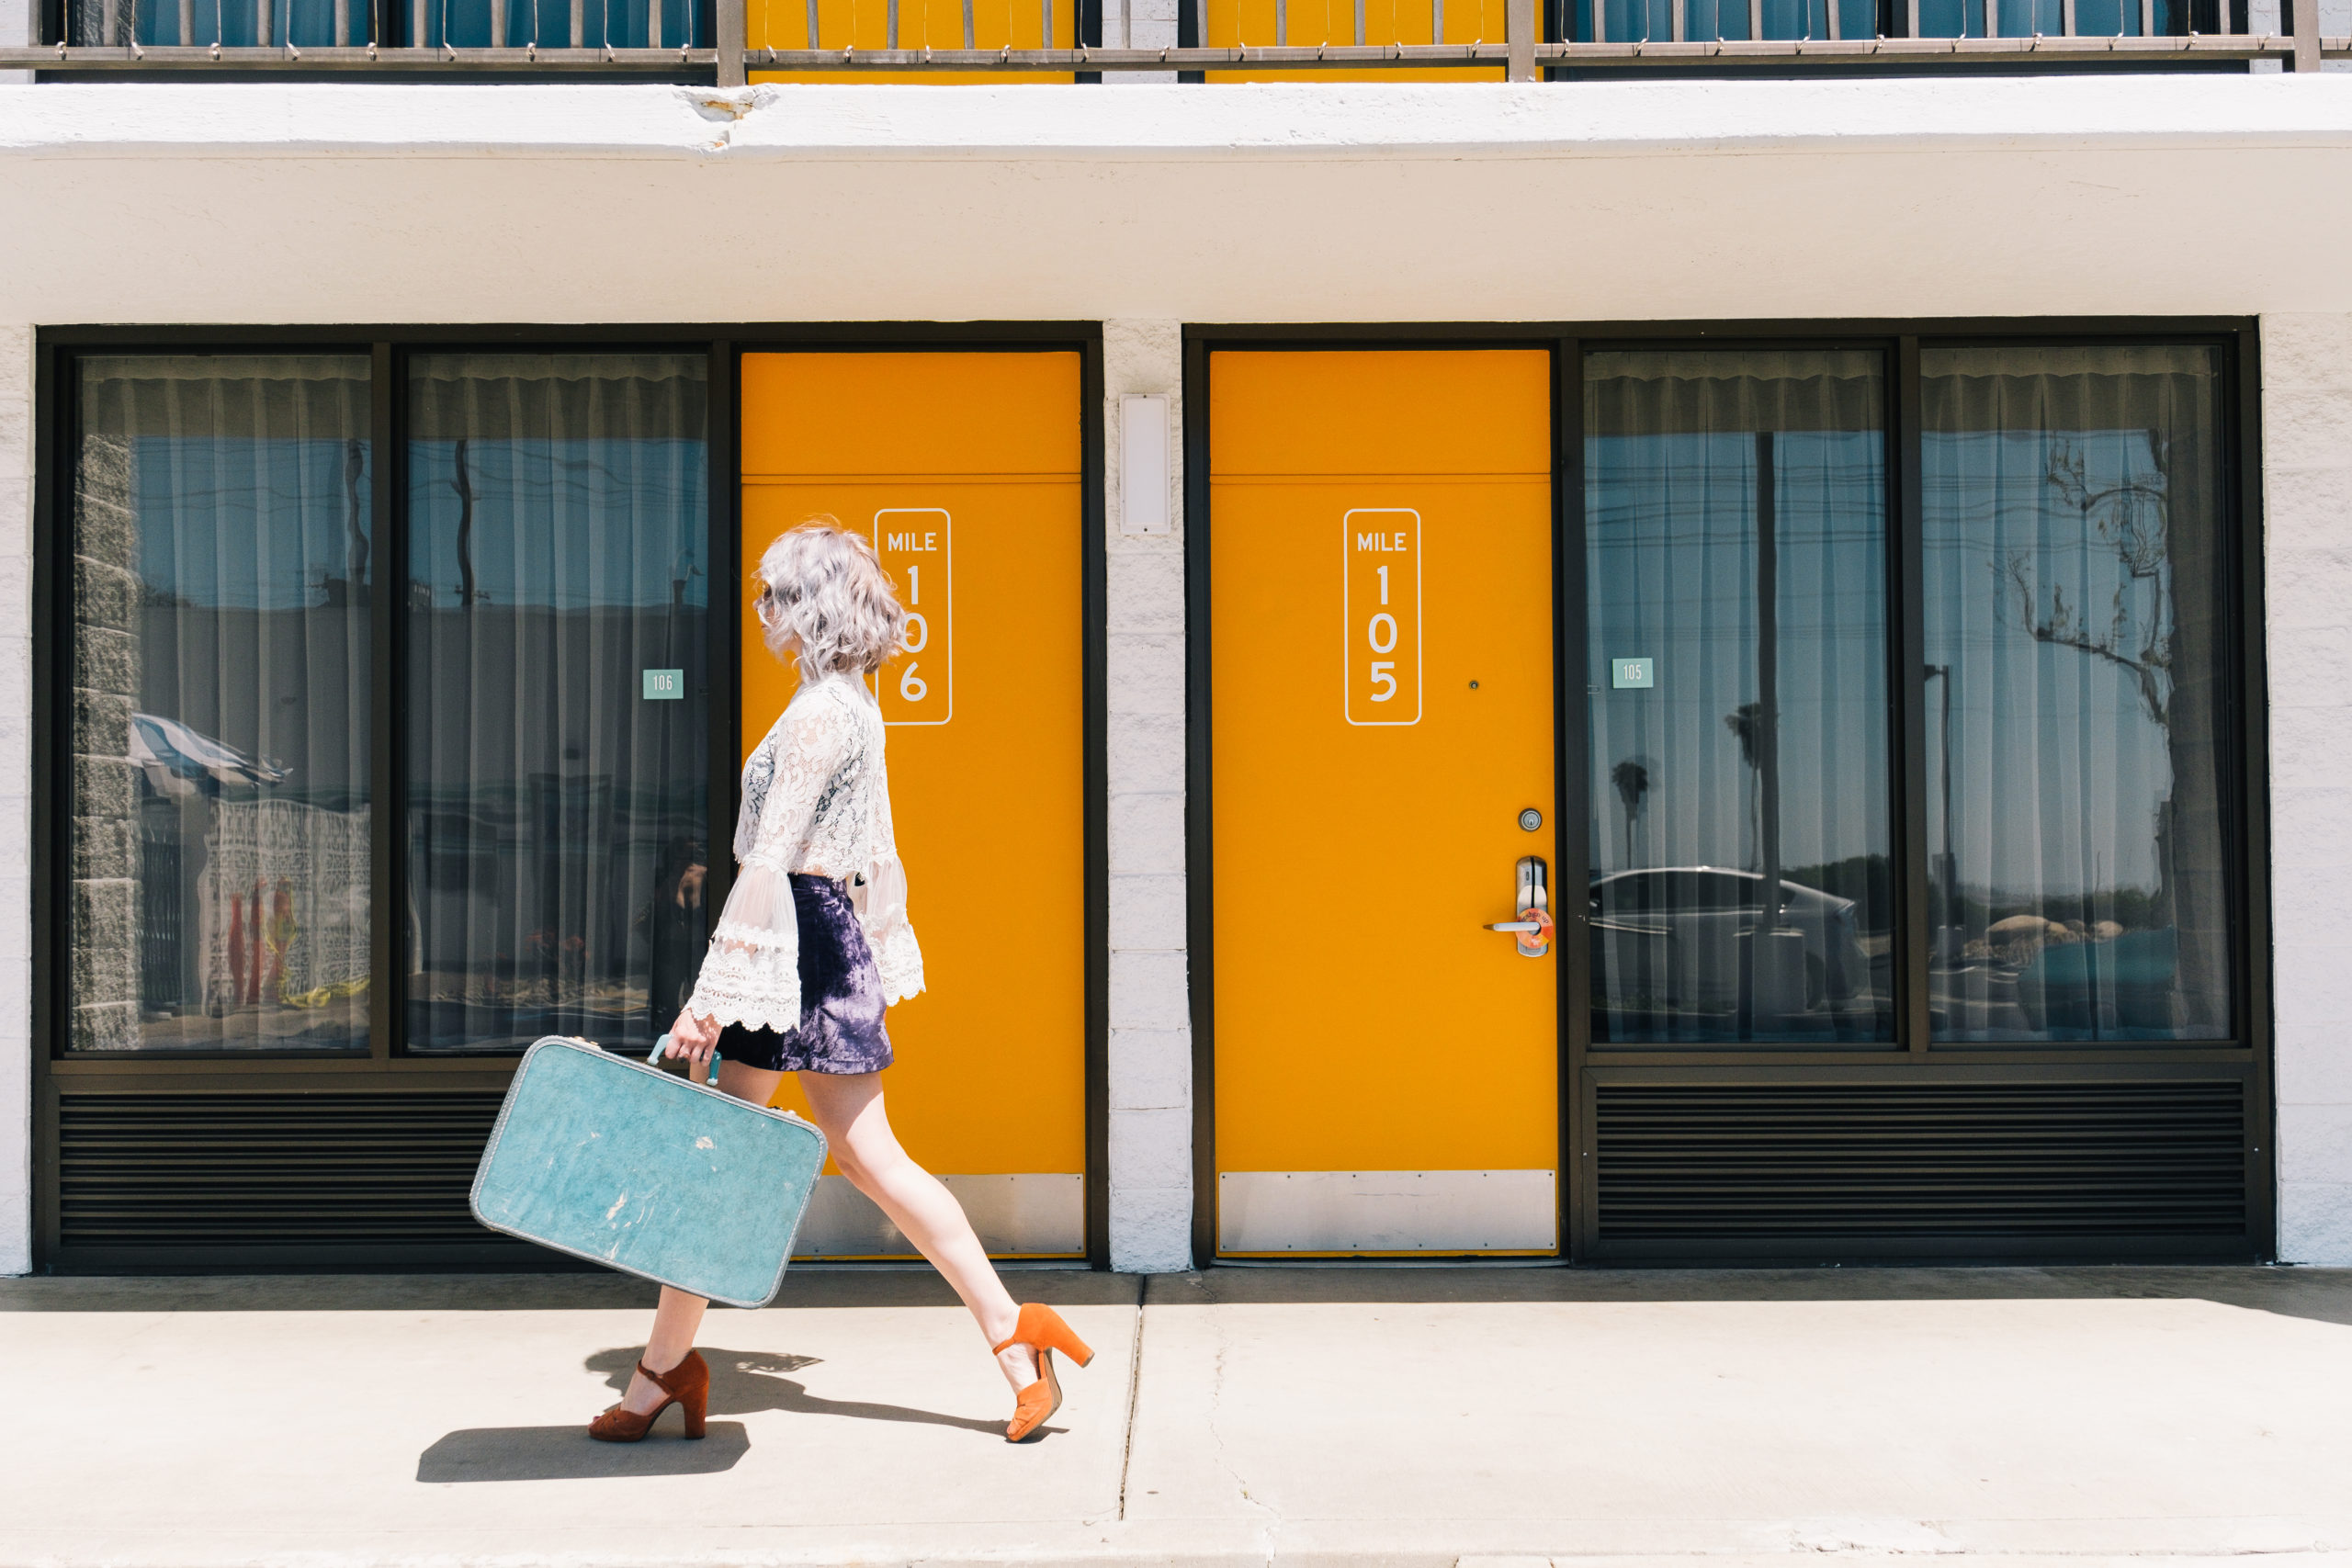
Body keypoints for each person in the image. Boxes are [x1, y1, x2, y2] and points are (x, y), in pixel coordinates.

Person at [588, 520, 1091, 1447]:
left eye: (774, 594)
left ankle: (1009, 1332)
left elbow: (773, 858)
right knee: (774, 1158)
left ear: (809, 605)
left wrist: (708, 997)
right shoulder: (850, 701)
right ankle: (665, 1370)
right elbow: (869, 857)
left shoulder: (823, 711)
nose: (761, 609)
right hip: (812, 941)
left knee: (844, 1159)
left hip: (796, 947)